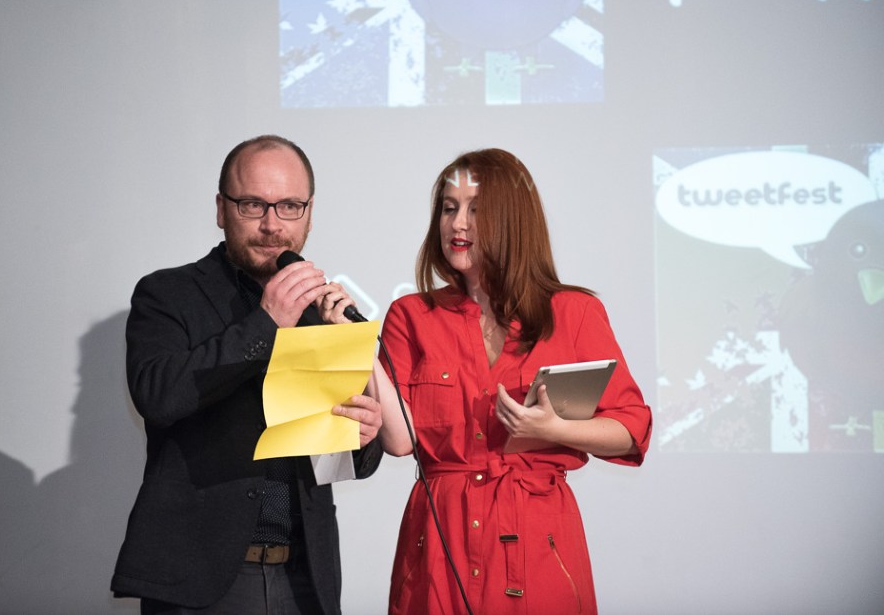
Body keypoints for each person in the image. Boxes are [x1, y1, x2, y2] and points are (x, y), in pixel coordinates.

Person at [367, 148, 652, 614]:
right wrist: (357, 350)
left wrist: (553, 429)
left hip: (539, 545)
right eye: (449, 208)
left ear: (513, 220)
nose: (457, 224)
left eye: (476, 210)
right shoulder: (411, 315)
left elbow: (631, 429)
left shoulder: (575, 312)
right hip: (439, 546)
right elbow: (401, 442)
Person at [111, 134, 384, 615]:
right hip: (202, 579)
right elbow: (158, 395)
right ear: (222, 209)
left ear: (309, 213)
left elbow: (348, 461)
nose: (272, 224)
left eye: (290, 207)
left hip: (306, 576)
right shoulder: (168, 293)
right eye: (253, 205)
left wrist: (362, 434)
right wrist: (266, 322)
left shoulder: (321, 310)